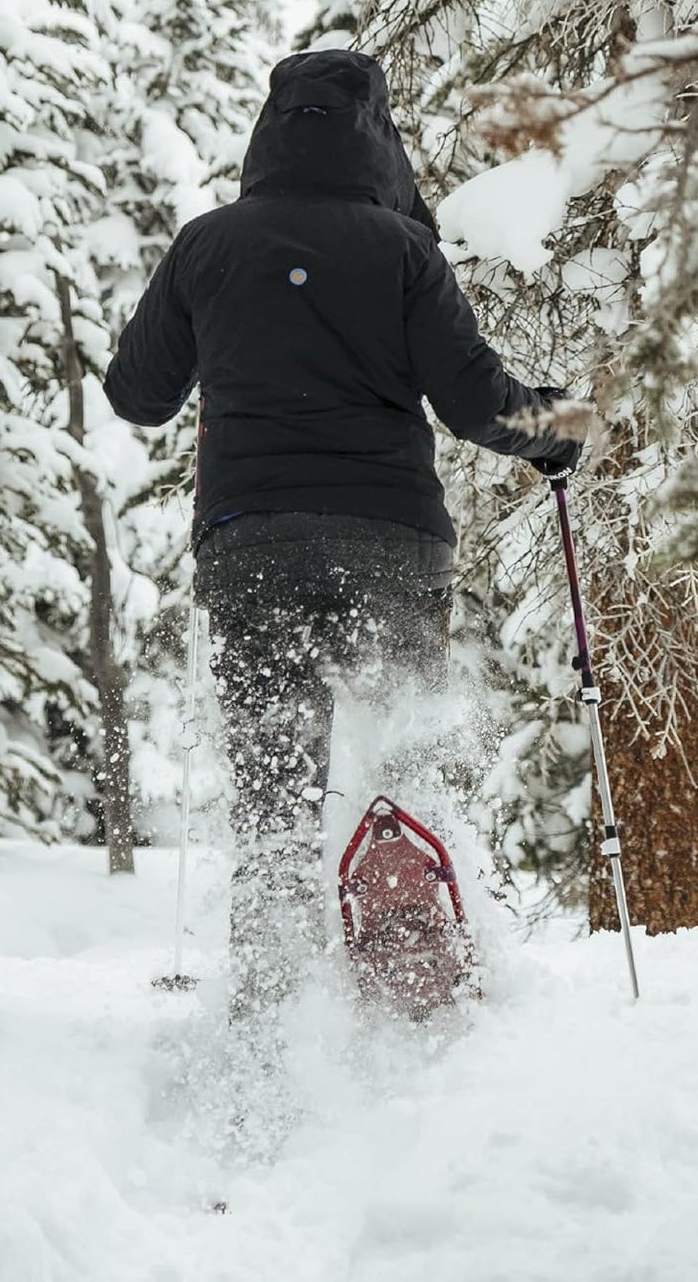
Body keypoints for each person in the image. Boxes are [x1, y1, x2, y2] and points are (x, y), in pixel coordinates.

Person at [103, 50, 579, 1032]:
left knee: (275, 793)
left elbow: (136, 396)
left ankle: (275, 1010)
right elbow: (476, 404)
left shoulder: (207, 245)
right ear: (377, 140)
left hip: (251, 545)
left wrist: (221, 337)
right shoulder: (401, 251)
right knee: (405, 771)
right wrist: (552, 437)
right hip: (390, 541)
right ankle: (419, 993)